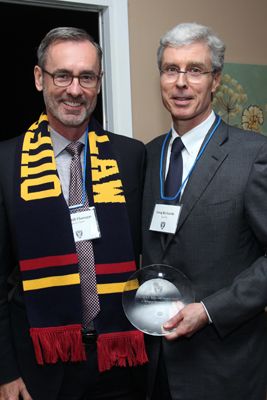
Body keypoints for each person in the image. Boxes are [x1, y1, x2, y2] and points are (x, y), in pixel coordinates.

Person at [0, 26, 148, 400]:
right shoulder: (5, 162)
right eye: (62, 75)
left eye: (86, 77)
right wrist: (5, 373)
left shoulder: (130, 157)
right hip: (38, 365)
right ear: (39, 78)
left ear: (99, 82)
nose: (74, 89)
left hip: (119, 361)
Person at [142, 22, 267, 400]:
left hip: (225, 367)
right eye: (171, 69)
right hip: (156, 368)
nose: (181, 82)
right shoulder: (145, 156)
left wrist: (210, 310)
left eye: (194, 70)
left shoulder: (253, 155)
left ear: (215, 81)